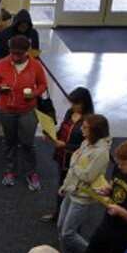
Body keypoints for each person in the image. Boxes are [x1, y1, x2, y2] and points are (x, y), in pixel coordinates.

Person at [0, 35, 48, 189]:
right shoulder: (2, 64)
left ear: (27, 52)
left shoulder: (35, 65)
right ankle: (10, 171)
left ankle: (31, 173)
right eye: (12, 53)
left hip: (27, 110)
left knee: (28, 143)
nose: (15, 57)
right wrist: (0, 87)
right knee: (10, 142)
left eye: (19, 54)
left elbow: (42, 84)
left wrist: (34, 93)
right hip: (6, 110)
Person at [57, 114, 112, 253]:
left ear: (96, 131)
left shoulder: (101, 153)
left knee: (68, 233)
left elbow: (87, 176)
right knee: (61, 227)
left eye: (86, 128)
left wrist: (73, 163)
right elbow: (75, 170)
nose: (82, 129)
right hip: (71, 190)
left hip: (82, 197)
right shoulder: (86, 142)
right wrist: (65, 185)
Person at [0, 9, 41, 152]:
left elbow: (36, 54)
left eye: (26, 26)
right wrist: (8, 64)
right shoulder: (4, 35)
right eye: (21, 26)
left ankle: (17, 141)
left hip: (24, 81)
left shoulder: (33, 34)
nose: (23, 28)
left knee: (23, 112)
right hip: (3, 79)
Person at [39, 87, 95, 222]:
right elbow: (64, 130)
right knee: (62, 185)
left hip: (77, 161)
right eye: (72, 103)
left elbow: (89, 146)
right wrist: (52, 135)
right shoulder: (70, 112)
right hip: (62, 157)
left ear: (84, 103)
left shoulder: (90, 121)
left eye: (76, 103)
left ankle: (70, 219)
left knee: (74, 190)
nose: (73, 106)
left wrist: (65, 146)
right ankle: (58, 214)